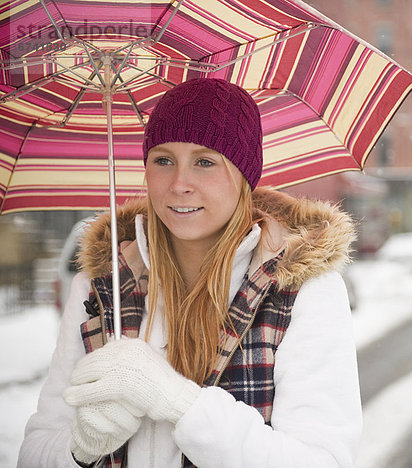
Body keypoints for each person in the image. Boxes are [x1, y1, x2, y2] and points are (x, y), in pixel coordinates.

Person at [18, 78, 362, 468]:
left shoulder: (300, 290)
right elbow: (33, 452)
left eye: (205, 162)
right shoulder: (100, 289)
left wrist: (176, 401)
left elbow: (320, 461)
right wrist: (81, 448)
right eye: (163, 160)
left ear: (244, 174)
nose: (180, 184)